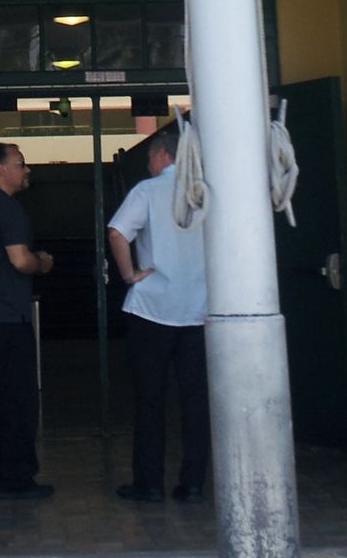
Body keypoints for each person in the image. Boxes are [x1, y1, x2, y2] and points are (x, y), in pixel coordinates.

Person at [106, 125, 210, 504]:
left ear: (163, 155)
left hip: (152, 310)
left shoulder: (147, 191)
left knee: (150, 399)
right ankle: (193, 483)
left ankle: (149, 483)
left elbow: (117, 232)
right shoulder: (204, 194)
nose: (148, 164)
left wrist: (129, 274)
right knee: (195, 400)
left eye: (150, 157)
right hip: (197, 310)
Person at [0, 142, 56, 499]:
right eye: (21, 163)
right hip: (8, 319)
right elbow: (19, 260)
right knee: (17, 403)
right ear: (1, 169)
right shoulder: (8, 208)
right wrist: (42, 263)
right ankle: (17, 478)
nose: (27, 169)